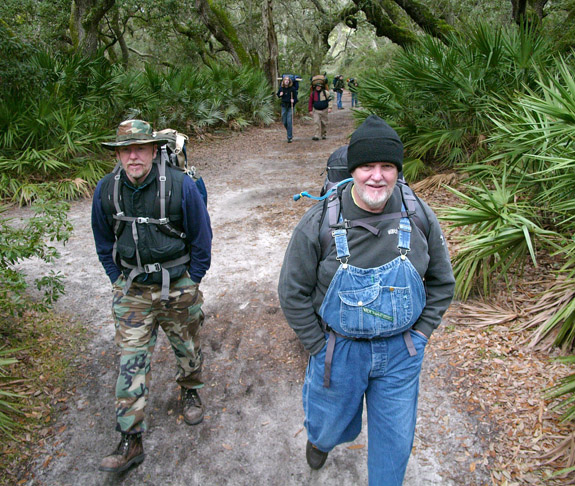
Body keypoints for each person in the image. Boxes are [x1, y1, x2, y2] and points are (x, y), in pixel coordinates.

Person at [278, 115, 455, 485]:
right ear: (353, 171)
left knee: (394, 446)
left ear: (397, 171)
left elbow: (442, 283)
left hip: (400, 355)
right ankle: (321, 441)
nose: (377, 176)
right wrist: (317, 345)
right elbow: (292, 292)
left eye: (387, 166)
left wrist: (419, 336)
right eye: (367, 166)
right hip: (339, 353)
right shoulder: (320, 222)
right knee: (327, 427)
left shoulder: (419, 216)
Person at [92, 119, 212, 473]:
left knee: (187, 347)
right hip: (132, 290)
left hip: (177, 286)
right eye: (125, 149)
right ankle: (130, 439)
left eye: (140, 148)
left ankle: (190, 387)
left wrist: (191, 279)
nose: (133, 156)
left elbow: (202, 238)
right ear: (117, 153)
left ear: (154, 149)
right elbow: (103, 242)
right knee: (130, 361)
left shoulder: (180, 186)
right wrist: (116, 279)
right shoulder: (106, 190)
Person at [277, 75, 298, 143]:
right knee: (284, 121)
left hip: (290, 107)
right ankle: (289, 131)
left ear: (289, 81)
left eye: (288, 80)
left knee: (289, 122)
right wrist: (280, 95)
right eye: (285, 80)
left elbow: (296, 99)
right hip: (283, 106)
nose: (286, 81)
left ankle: (289, 137)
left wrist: (293, 101)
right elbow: (278, 95)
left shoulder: (292, 89)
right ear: (283, 81)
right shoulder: (281, 88)